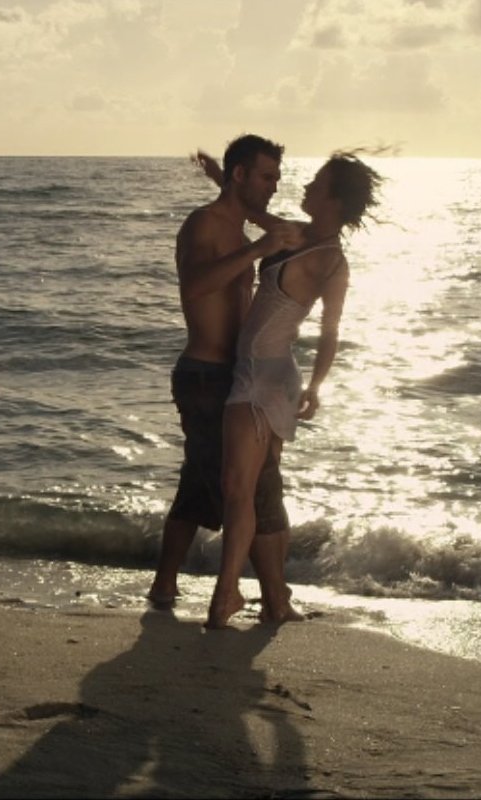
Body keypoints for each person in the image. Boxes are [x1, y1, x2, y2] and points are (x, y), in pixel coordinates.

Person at [206, 151, 381, 629]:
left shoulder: (332, 263)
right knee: (250, 489)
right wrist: (220, 176)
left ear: (334, 199)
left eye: (316, 183)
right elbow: (251, 211)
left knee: (239, 487)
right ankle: (270, 596)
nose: (305, 187)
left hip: (269, 379)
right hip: (250, 371)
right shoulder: (294, 234)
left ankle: (227, 596)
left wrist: (318, 386)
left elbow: (330, 331)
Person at [148, 134, 302, 622]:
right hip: (207, 376)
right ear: (242, 175)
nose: (275, 186)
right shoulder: (205, 224)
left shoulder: (237, 224)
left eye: (277, 177)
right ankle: (275, 600)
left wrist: (230, 188)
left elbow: (285, 231)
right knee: (257, 489)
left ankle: (164, 583)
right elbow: (194, 286)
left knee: (199, 484)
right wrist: (256, 249)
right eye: (267, 177)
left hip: (228, 376)